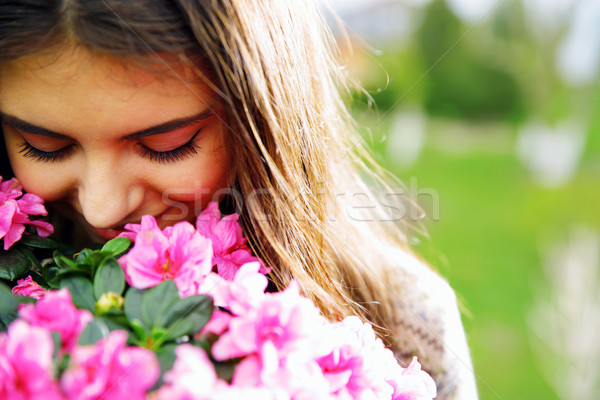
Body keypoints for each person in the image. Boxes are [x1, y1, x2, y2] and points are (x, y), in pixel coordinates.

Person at [0, 1, 478, 398]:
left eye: (167, 145)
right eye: (44, 147)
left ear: (262, 121)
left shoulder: (409, 325)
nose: (102, 207)